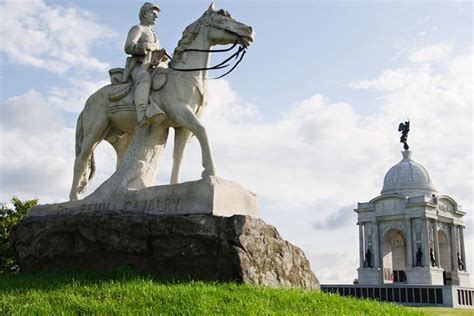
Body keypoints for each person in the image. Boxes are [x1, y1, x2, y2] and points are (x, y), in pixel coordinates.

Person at [124, 2, 167, 126]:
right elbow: (128, 47)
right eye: (153, 13)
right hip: (138, 66)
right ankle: (142, 114)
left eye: (156, 14)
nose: (156, 17)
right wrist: (145, 46)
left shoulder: (155, 35)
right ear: (144, 14)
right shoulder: (138, 28)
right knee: (144, 78)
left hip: (153, 66)